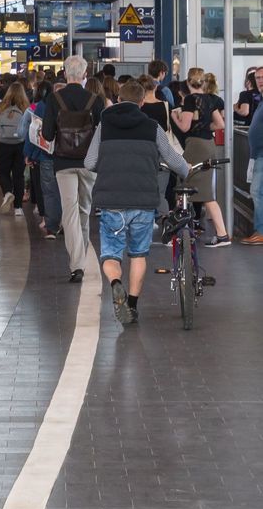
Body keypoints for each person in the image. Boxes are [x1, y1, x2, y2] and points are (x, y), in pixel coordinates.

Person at [85, 79, 191, 324]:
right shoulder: (152, 127)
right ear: (142, 102)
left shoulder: (105, 125)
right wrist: (188, 171)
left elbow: (90, 162)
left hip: (111, 200)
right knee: (138, 254)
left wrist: (109, 166)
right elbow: (174, 161)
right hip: (143, 200)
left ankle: (115, 284)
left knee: (111, 255)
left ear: (119, 100)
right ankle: (131, 306)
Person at [42, 55, 106, 283]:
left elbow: (48, 134)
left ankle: (76, 264)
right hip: (89, 163)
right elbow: (103, 133)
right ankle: (82, 260)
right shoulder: (95, 100)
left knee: (69, 212)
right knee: (84, 211)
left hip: (63, 163)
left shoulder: (54, 99)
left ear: (65, 74)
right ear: (85, 75)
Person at [171, 67, 231, 247]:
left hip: (195, 145)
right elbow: (220, 124)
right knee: (206, 193)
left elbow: (184, 127)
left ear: (189, 82)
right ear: (203, 82)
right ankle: (221, 234)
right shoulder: (211, 99)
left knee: (183, 186)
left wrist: (175, 116)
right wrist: (205, 127)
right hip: (208, 145)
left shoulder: (190, 99)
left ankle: (178, 231)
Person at [22, 81, 61, 239]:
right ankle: (68, 223)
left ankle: (51, 226)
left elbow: (35, 133)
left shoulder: (43, 106)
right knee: (68, 192)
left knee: (50, 192)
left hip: (47, 155)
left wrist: (29, 154)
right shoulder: (77, 104)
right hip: (71, 156)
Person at [137, 74, 178, 218]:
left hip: (142, 151)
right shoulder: (164, 105)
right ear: (155, 87)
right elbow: (168, 128)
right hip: (161, 151)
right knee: (160, 190)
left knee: (144, 187)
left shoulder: (138, 107)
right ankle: (165, 220)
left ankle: (147, 217)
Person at [0, 82, 29, 216]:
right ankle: (18, 208)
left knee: (3, 172)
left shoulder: (1, 106)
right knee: (18, 175)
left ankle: (7, 192)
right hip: (20, 143)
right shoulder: (25, 107)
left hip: (4, 144)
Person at [244, 104, 263, 244]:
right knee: (258, 192)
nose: (260, 80)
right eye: (257, 79)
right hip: (258, 155)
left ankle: (261, 231)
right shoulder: (261, 103)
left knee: (256, 191)